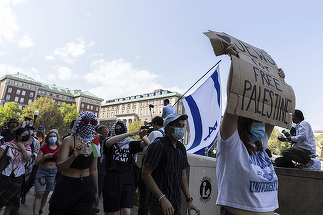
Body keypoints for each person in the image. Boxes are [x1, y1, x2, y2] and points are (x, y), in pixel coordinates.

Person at [214, 45, 283, 215]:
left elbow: (274, 109)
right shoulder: (232, 143)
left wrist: (279, 84)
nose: (264, 121)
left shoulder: (261, 144)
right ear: (245, 117)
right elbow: (233, 100)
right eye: (258, 118)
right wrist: (235, 63)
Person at [141, 113, 200, 215]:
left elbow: (183, 175)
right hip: (159, 204)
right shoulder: (158, 145)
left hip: (175, 203)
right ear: (168, 128)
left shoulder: (181, 148)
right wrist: (162, 198)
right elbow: (145, 174)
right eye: (178, 125)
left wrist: (189, 200)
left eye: (182, 126)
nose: (181, 129)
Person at [49, 111, 99, 215]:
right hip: (67, 185)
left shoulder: (94, 143)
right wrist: (73, 156)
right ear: (80, 122)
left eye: (92, 122)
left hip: (86, 186)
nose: (89, 124)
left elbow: (94, 170)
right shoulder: (69, 140)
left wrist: (96, 191)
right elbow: (60, 168)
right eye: (86, 121)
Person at [103, 120, 150, 215]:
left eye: (121, 129)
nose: (119, 131)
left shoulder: (130, 143)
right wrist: (127, 134)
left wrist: (142, 137)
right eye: (117, 130)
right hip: (112, 177)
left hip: (127, 177)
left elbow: (147, 144)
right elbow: (108, 143)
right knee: (110, 210)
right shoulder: (110, 141)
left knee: (126, 210)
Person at [0, 128, 32, 215]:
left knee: (11, 201)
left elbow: (28, 158)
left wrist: (22, 148)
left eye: (27, 136)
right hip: (4, 176)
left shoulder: (27, 147)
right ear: (18, 136)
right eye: (24, 135)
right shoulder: (7, 145)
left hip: (17, 176)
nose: (26, 137)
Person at [138, 116, 165, 215]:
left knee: (144, 198)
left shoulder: (155, 133)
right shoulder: (167, 134)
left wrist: (142, 137)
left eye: (153, 125)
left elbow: (144, 147)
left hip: (150, 168)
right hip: (161, 170)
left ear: (156, 124)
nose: (152, 127)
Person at [33, 129, 61, 215]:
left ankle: (40, 209)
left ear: (57, 137)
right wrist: (45, 157)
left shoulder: (60, 148)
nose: (52, 138)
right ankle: (35, 213)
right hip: (42, 172)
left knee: (46, 193)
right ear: (47, 138)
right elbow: (37, 163)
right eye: (51, 136)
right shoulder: (43, 148)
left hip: (53, 172)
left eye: (54, 136)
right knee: (39, 193)